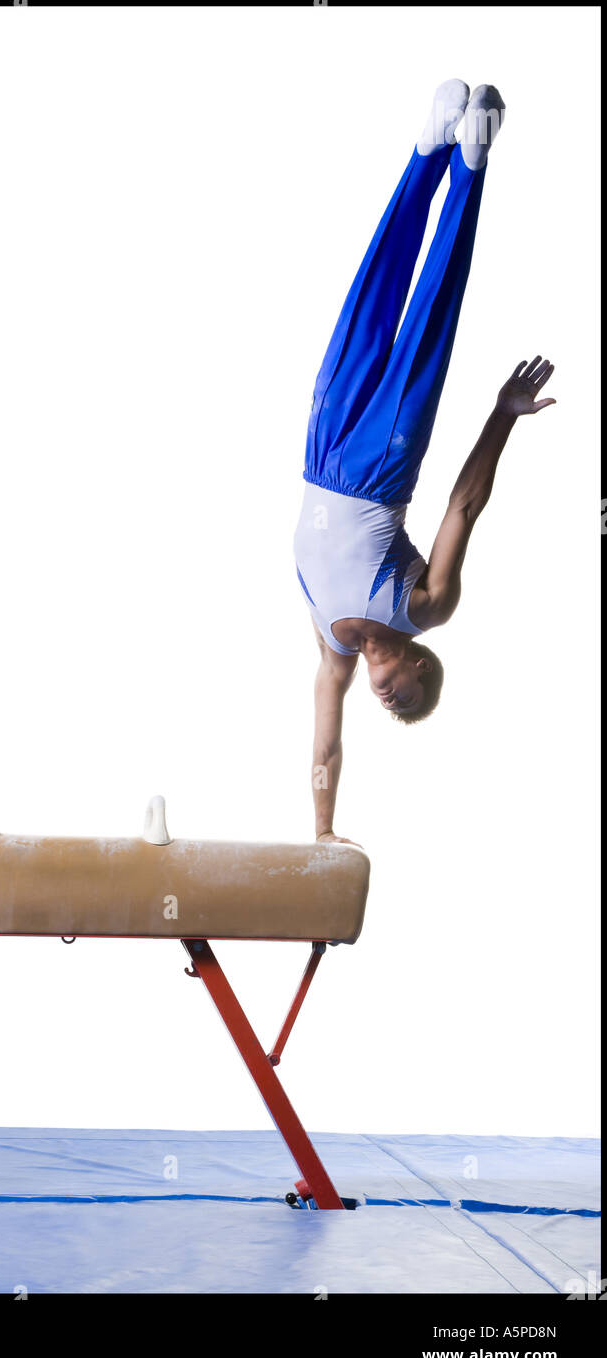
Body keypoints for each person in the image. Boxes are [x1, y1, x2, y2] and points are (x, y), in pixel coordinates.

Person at [293, 81, 555, 844]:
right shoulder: (427, 608)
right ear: (417, 663)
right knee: (423, 313)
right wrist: (501, 419)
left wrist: (322, 831)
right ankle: (457, 158)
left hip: (319, 450)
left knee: (367, 306)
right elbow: (463, 509)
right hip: (382, 464)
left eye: (391, 708)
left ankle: (430, 153)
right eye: (407, 699)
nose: (390, 702)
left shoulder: (333, 650)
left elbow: (324, 746)